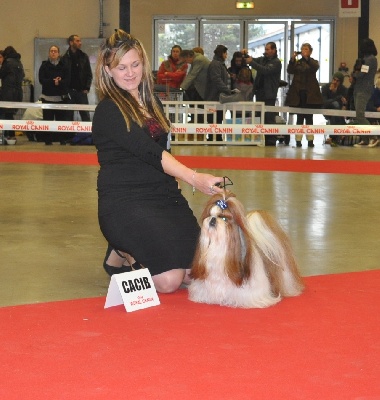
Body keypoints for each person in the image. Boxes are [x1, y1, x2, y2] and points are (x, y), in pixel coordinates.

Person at [91, 29, 224, 293]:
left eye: (135, 64)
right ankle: (122, 250)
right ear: (108, 70)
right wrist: (195, 177)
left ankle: (129, 248)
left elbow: (164, 149)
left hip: (163, 197)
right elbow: (150, 152)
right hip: (125, 202)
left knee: (194, 274)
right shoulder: (108, 110)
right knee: (168, 281)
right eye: (121, 67)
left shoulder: (153, 103)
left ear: (144, 64)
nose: (130, 73)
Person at [244, 42, 283, 146]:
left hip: (269, 93)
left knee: (269, 117)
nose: (265, 51)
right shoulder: (262, 59)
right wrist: (246, 55)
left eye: (267, 49)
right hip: (259, 92)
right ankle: (261, 138)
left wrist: (252, 62)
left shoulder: (276, 62)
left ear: (274, 50)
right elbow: (253, 60)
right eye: (265, 49)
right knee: (260, 116)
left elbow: (265, 70)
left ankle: (271, 141)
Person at [285, 43, 323, 148]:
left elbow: (314, 68)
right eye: (302, 49)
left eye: (306, 49)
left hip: (310, 93)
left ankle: (310, 140)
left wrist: (307, 58)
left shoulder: (313, 62)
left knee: (309, 117)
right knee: (299, 118)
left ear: (310, 51)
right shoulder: (297, 63)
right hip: (298, 93)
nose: (304, 51)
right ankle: (298, 140)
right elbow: (290, 70)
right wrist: (292, 60)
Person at [38, 45, 71, 145]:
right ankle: (48, 140)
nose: (53, 53)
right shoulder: (44, 66)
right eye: (51, 51)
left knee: (61, 121)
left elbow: (68, 80)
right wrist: (53, 82)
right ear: (49, 53)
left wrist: (60, 82)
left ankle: (62, 140)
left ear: (58, 53)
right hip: (47, 98)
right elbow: (41, 80)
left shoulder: (64, 66)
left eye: (55, 51)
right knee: (47, 120)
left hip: (61, 98)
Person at [352, 38, 378, 147]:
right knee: (358, 115)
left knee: (360, 115)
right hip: (358, 89)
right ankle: (365, 139)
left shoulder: (371, 59)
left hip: (364, 90)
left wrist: (354, 74)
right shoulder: (365, 58)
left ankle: (373, 137)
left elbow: (362, 73)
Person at [61, 34, 93, 122]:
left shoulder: (84, 57)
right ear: (71, 43)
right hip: (69, 91)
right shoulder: (64, 58)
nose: (80, 43)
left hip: (81, 92)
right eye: (77, 41)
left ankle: (87, 135)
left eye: (80, 41)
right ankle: (69, 136)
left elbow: (89, 74)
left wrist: (87, 87)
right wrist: (65, 90)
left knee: (85, 116)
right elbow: (62, 76)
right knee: (68, 116)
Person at [204, 44, 232, 140]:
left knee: (217, 118)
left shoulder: (218, 64)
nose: (226, 55)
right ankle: (214, 138)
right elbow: (217, 80)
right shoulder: (216, 64)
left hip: (216, 96)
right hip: (214, 97)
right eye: (225, 53)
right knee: (214, 119)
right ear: (222, 53)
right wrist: (227, 90)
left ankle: (216, 137)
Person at [0, 46, 25, 142]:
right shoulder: (19, 63)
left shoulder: (7, 62)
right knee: (10, 115)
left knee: (6, 115)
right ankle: (10, 135)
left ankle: (9, 135)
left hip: (8, 93)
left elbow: (1, 74)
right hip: (18, 93)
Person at [179, 49, 210, 124]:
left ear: (189, 56)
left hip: (202, 88)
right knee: (197, 110)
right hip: (200, 88)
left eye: (186, 60)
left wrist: (182, 88)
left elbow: (193, 75)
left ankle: (199, 128)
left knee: (199, 111)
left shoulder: (198, 60)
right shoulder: (196, 59)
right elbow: (190, 74)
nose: (186, 62)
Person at [321, 71, 348, 146]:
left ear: (341, 82)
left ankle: (333, 137)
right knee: (335, 105)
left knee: (334, 112)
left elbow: (345, 102)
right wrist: (335, 95)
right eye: (334, 79)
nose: (335, 82)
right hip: (327, 110)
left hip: (338, 113)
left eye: (337, 81)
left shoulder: (343, 89)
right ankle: (340, 133)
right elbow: (325, 102)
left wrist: (344, 105)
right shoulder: (325, 88)